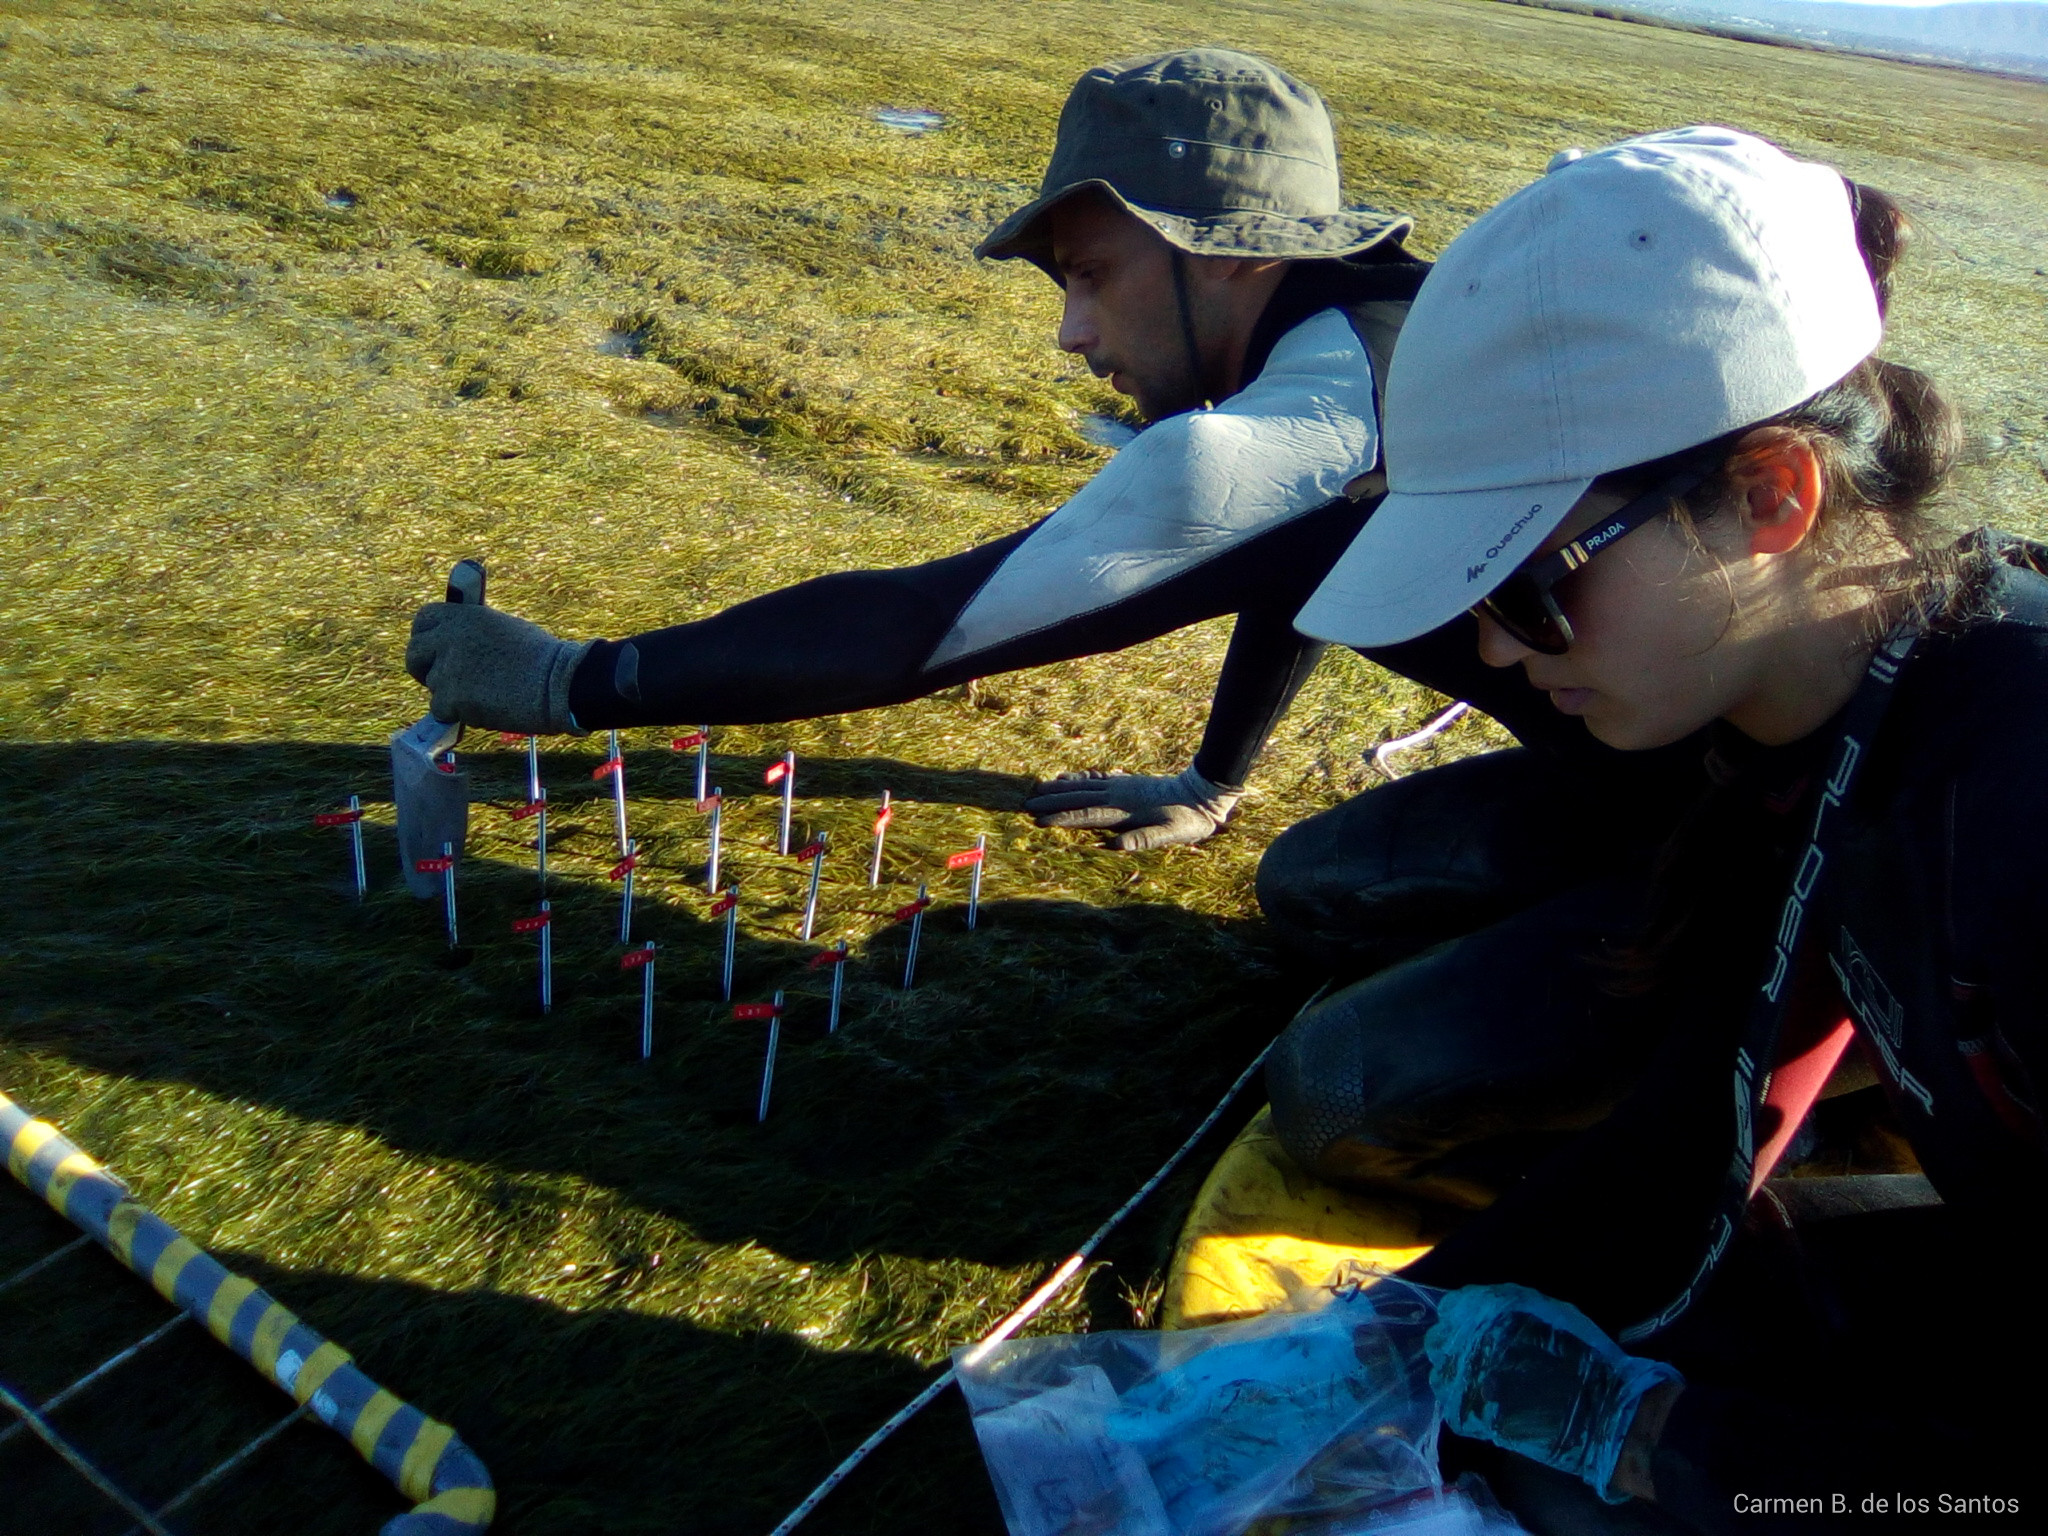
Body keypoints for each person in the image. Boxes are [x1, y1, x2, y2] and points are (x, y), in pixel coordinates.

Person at [1268, 126, 2042, 1530]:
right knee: (1498, 1394)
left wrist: (1668, 1449)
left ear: (1772, 496)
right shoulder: (1813, 725)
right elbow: (1698, 1117)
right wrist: (1376, 1343)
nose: (1493, 651)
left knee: (1580, 1474)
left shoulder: (2016, 801)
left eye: (1528, 585)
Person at [403, 48, 1433, 851]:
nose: (1069, 333)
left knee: (1324, 911)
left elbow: (920, 626)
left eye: (1089, 274)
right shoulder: (1376, 342)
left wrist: (571, 679)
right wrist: (1213, 783)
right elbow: (1301, 556)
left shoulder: (1314, 421)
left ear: (1234, 251)